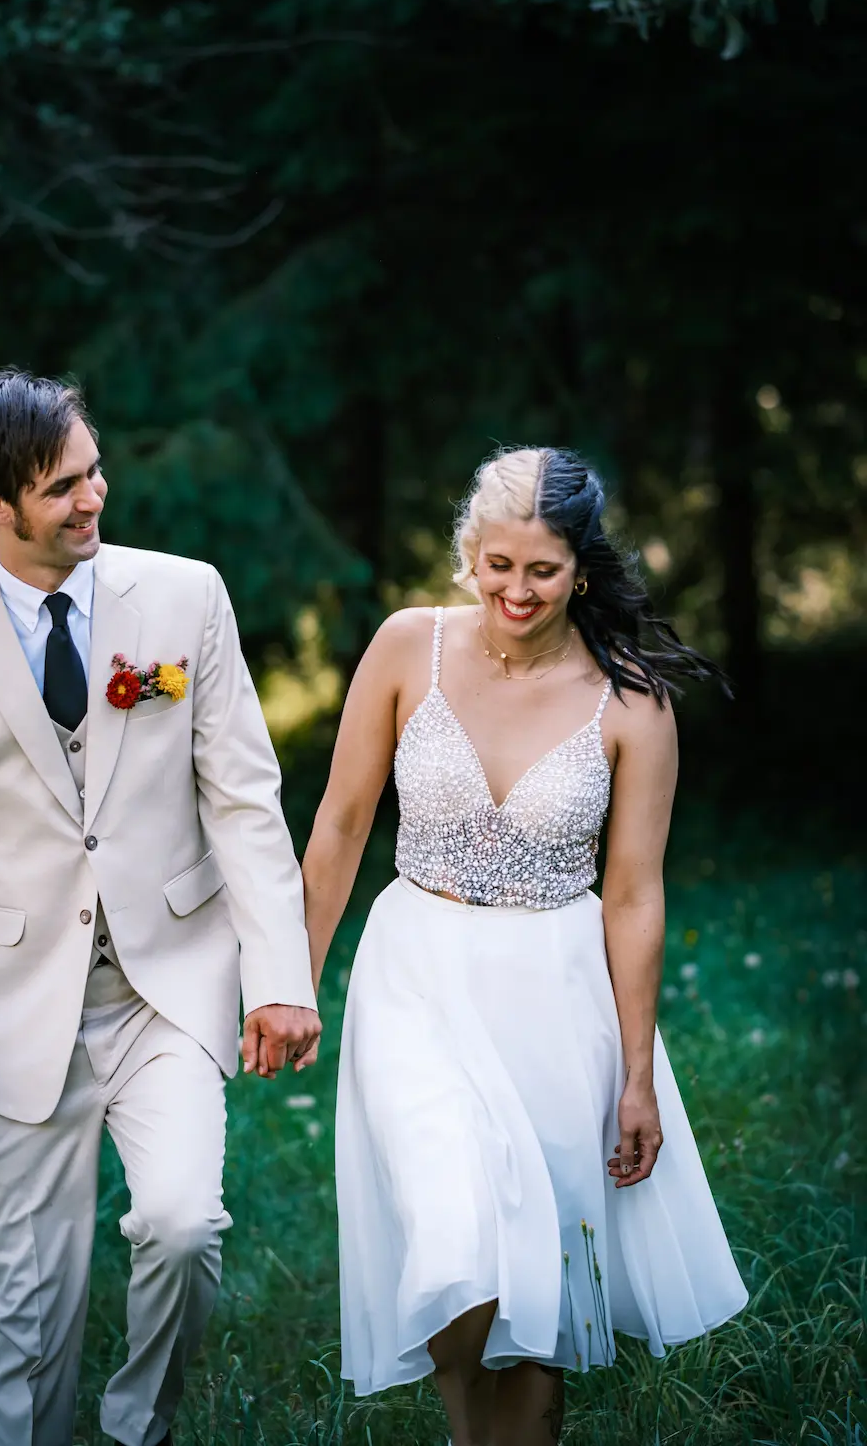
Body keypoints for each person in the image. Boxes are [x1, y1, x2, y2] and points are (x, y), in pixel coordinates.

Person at [0, 368, 321, 1446]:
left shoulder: (184, 597)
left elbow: (246, 800)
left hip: (165, 987)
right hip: (11, 1008)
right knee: (32, 1317)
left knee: (183, 1225)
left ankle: (134, 1431)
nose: (92, 498)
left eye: (94, 469)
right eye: (62, 486)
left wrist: (279, 978)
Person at [302, 447, 748, 1446]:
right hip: (414, 967)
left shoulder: (630, 703)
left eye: (539, 570)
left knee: (540, 1275)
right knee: (455, 1232)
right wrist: (290, 984)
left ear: (579, 570)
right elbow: (338, 823)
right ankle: (467, 1429)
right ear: (468, 551)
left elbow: (632, 895)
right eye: (495, 564)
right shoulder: (404, 647)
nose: (514, 588)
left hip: (555, 991)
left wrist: (636, 1076)